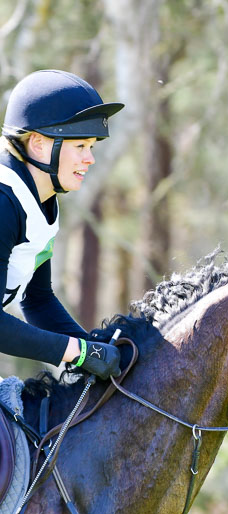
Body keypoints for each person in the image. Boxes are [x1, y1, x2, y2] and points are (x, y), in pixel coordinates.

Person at [0, 69, 123, 380]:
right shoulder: (3, 201)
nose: (90, 158)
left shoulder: (39, 199)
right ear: (39, 145)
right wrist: (79, 353)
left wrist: (94, 345)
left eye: (92, 147)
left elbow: (37, 300)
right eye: (80, 146)